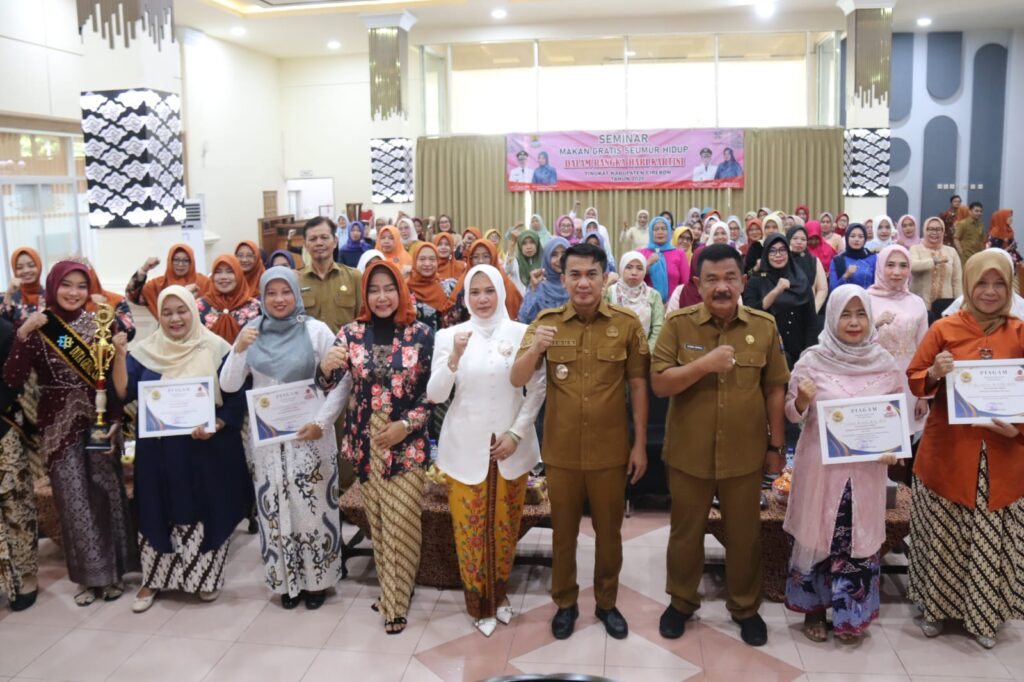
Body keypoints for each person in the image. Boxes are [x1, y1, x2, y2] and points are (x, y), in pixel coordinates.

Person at [652, 244, 789, 647]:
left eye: (730, 277)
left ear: (743, 281)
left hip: (745, 455)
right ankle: (681, 602)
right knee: (685, 534)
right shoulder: (678, 324)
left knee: (745, 536)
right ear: (697, 284)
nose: (722, 287)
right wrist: (703, 365)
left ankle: (745, 608)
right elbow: (660, 383)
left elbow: (775, 389)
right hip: (688, 454)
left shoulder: (764, 326)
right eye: (711, 279)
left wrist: (776, 447)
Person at [511, 243, 649, 641]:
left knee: (610, 534)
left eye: (591, 274)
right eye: (575, 275)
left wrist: (640, 444)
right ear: (563, 278)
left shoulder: (627, 324)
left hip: (610, 451)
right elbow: (517, 378)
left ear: (605, 278)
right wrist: (536, 348)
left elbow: (639, 385)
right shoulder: (546, 322)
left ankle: (606, 603)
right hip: (562, 450)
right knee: (563, 534)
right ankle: (565, 604)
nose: (583, 283)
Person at [906, 250, 1024, 648]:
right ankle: (935, 609)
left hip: (1002, 456)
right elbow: (915, 377)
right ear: (969, 285)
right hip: (949, 454)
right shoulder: (945, 328)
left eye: (999, 284)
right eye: (982, 283)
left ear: (1010, 288)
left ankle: (984, 616)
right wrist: (934, 372)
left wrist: (1017, 428)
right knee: (943, 535)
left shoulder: (1019, 332)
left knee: (990, 538)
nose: (990, 292)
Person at [4, 261, 137, 606]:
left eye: (81, 285)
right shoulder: (40, 326)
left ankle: (113, 574)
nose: (74, 292)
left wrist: (115, 420)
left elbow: (113, 381)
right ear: (53, 286)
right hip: (57, 427)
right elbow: (13, 379)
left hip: (99, 423)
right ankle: (89, 579)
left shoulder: (101, 324)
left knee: (106, 495)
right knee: (73, 500)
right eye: (66, 284)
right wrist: (22, 334)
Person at [111, 286, 246, 612]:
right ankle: (153, 580)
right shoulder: (145, 351)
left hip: (201, 450)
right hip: (157, 453)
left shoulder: (216, 348)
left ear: (193, 311)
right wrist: (119, 355)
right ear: (159, 316)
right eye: (167, 312)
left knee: (203, 508)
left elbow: (235, 397)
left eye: (181, 310)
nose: (175, 318)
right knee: (156, 508)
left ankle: (205, 578)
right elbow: (123, 392)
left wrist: (217, 424)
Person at [427, 264, 546, 636]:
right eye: (475, 291)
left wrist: (516, 433)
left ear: (501, 292)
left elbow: (537, 389)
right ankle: (478, 601)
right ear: (466, 296)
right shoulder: (450, 335)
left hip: (512, 447)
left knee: (505, 527)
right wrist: (454, 357)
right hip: (464, 446)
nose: (482, 299)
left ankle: (500, 592)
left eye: (489, 290)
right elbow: (435, 395)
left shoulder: (521, 333)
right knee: (470, 528)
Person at [221, 267, 348, 609]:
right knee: (274, 508)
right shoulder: (251, 332)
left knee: (312, 506)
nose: (279, 299)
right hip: (268, 443)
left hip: (311, 436)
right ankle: (286, 582)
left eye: (285, 291)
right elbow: (229, 384)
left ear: (296, 293)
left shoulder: (315, 330)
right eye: (271, 293)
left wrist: (322, 422)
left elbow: (342, 380)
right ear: (262, 297)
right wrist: (238, 350)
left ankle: (317, 581)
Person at [782, 286, 902, 642]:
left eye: (861, 314)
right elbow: (791, 414)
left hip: (865, 473)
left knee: (855, 538)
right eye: (845, 314)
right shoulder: (811, 361)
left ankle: (852, 616)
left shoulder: (885, 364)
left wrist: (892, 448)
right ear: (832, 317)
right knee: (819, 533)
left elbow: (894, 418)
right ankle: (814, 611)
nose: (853, 322)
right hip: (820, 469)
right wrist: (801, 401)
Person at [322, 260, 434, 634]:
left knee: (403, 522)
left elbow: (434, 395)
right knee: (382, 525)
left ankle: (395, 604)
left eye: (389, 288)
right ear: (365, 294)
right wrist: (323, 368)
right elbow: (328, 384)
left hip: (407, 445)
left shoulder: (422, 333)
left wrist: (407, 425)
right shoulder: (351, 334)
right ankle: (393, 592)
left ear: (400, 290)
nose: (382, 297)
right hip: (366, 445)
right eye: (374, 290)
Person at [865, 245, 930, 436]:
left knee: (906, 439)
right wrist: (875, 325)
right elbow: (853, 345)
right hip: (873, 380)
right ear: (880, 266)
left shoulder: (916, 302)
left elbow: (924, 351)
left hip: (909, 382)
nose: (897, 272)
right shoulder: (865, 300)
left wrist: (923, 395)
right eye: (890, 265)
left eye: (903, 266)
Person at [0, 315, 36, 611]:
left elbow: (13, 381)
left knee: (16, 506)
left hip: (4, 429)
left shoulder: (5, 331)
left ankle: (26, 576)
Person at [743, 233, 818, 366]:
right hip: (766, 350)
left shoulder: (800, 278)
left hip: (799, 351)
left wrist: (809, 353)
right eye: (772, 251)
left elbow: (810, 320)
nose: (778, 255)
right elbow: (749, 313)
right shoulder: (756, 280)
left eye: (782, 250)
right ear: (765, 254)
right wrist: (776, 291)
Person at [297, 217, 361, 335]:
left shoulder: (354, 277)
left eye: (324, 237)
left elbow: (362, 320)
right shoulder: (297, 280)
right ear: (305, 244)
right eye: (313, 239)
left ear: (335, 241)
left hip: (345, 346)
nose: (319, 243)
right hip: (310, 346)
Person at [126, 244, 210, 318]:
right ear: (170, 261)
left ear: (191, 262)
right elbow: (132, 296)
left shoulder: (203, 283)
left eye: (185, 260)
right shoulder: (158, 285)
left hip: (197, 330)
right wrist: (144, 269)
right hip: (166, 330)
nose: (180, 264)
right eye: (176, 260)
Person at [604, 252, 664, 353]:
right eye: (629, 267)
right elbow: (602, 324)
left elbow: (658, 327)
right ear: (622, 268)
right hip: (612, 352)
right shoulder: (610, 292)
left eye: (639, 268)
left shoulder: (653, 295)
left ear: (645, 271)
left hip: (644, 352)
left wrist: (646, 352)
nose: (634, 272)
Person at [195, 255, 261, 344]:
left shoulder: (255, 307)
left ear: (238, 274)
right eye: (218, 272)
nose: (224, 277)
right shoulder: (198, 307)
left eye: (230, 272)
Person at [909, 217, 963, 311]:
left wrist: (959, 304)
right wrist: (933, 261)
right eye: (930, 229)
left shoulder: (951, 252)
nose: (934, 232)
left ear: (943, 231)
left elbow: (957, 281)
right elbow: (912, 266)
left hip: (945, 306)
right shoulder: (915, 249)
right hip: (921, 304)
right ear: (925, 230)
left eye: (938, 229)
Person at [407, 243, 460, 330]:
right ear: (415, 260)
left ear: (437, 261)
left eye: (432, 259)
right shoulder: (405, 289)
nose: (427, 264)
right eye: (422, 259)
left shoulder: (449, 286)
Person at [518, 237, 569, 325]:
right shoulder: (540, 285)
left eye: (564, 254)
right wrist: (534, 289)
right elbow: (524, 319)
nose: (560, 259)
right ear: (547, 257)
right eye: (554, 254)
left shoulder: (576, 284)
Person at [640, 216, 689, 303]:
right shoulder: (641, 253)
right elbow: (633, 279)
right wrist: (648, 264)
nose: (660, 232)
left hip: (673, 305)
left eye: (663, 229)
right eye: (656, 229)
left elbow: (685, 284)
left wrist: (672, 302)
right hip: (646, 304)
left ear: (669, 232)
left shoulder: (679, 254)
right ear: (650, 232)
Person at [787, 225, 828, 313]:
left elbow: (822, 289)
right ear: (788, 239)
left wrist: (813, 311)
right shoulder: (782, 260)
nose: (799, 242)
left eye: (803, 239)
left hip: (809, 309)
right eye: (795, 238)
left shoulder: (813, 261)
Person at [2, 247, 44, 326]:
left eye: (31, 265)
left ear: (39, 266)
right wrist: (8, 295)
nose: (26, 271)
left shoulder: (51, 296)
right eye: (19, 268)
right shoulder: (11, 298)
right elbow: (3, 327)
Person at [828, 224, 877, 290]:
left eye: (860, 237)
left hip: (868, 295)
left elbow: (877, 284)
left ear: (865, 239)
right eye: (852, 236)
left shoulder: (873, 258)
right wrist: (846, 275)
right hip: (845, 296)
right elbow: (833, 288)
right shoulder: (837, 260)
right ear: (847, 238)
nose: (856, 239)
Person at [507, 228, 543, 296]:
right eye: (524, 243)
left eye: (532, 242)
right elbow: (507, 269)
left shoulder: (545, 262)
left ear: (537, 244)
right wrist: (512, 244)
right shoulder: (516, 263)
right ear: (520, 246)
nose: (528, 247)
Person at [954, 201, 986, 267]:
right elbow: (956, 239)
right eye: (976, 211)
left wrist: (982, 253)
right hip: (965, 256)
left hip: (977, 256)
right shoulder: (963, 223)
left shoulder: (980, 225)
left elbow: (982, 241)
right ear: (970, 211)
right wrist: (961, 252)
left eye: (981, 211)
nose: (979, 213)